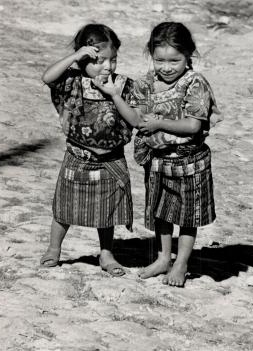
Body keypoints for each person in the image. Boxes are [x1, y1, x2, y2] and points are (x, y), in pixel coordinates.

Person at [94, 22, 222, 287]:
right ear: (151, 55)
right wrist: (115, 97)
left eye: (174, 60)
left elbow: (192, 125)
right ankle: (164, 257)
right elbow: (136, 119)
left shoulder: (195, 83)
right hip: (158, 162)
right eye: (159, 60)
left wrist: (159, 123)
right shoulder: (145, 84)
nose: (166, 67)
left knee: (188, 217)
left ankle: (182, 263)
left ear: (189, 56)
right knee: (162, 212)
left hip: (190, 162)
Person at [40, 24, 134, 277]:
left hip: (111, 159)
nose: (107, 67)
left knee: (108, 211)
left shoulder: (122, 86)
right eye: (99, 61)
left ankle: (106, 253)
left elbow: (135, 118)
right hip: (78, 157)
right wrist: (75, 56)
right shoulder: (71, 82)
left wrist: (114, 95)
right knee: (65, 207)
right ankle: (53, 248)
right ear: (84, 59)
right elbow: (48, 77)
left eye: (112, 60)